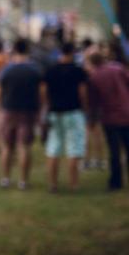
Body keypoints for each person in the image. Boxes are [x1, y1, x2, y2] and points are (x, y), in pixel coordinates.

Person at [0, 39, 43, 190]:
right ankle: (23, 181)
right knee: (24, 146)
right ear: (27, 50)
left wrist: (1, 106)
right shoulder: (35, 70)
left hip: (9, 110)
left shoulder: (7, 69)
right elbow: (41, 92)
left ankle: (5, 179)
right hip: (28, 111)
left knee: (7, 146)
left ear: (15, 50)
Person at [42, 42, 88, 192]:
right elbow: (82, 93)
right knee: (74, 148)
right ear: (73, 52)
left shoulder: (50, 70)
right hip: (73, 112)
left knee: (53, 148)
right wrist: (85, 109)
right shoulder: (78, 71)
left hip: (55, 112)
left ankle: (53, 184)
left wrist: (48, 105)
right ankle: (73, 184)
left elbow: (43, 92)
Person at [87, 52, 129, 191]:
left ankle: (116, 182)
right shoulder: (118, 68)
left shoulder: (95, 77)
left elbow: (93, 102)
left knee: (114, 150)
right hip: (126, 113)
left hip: (110, 117)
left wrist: (91, 120)